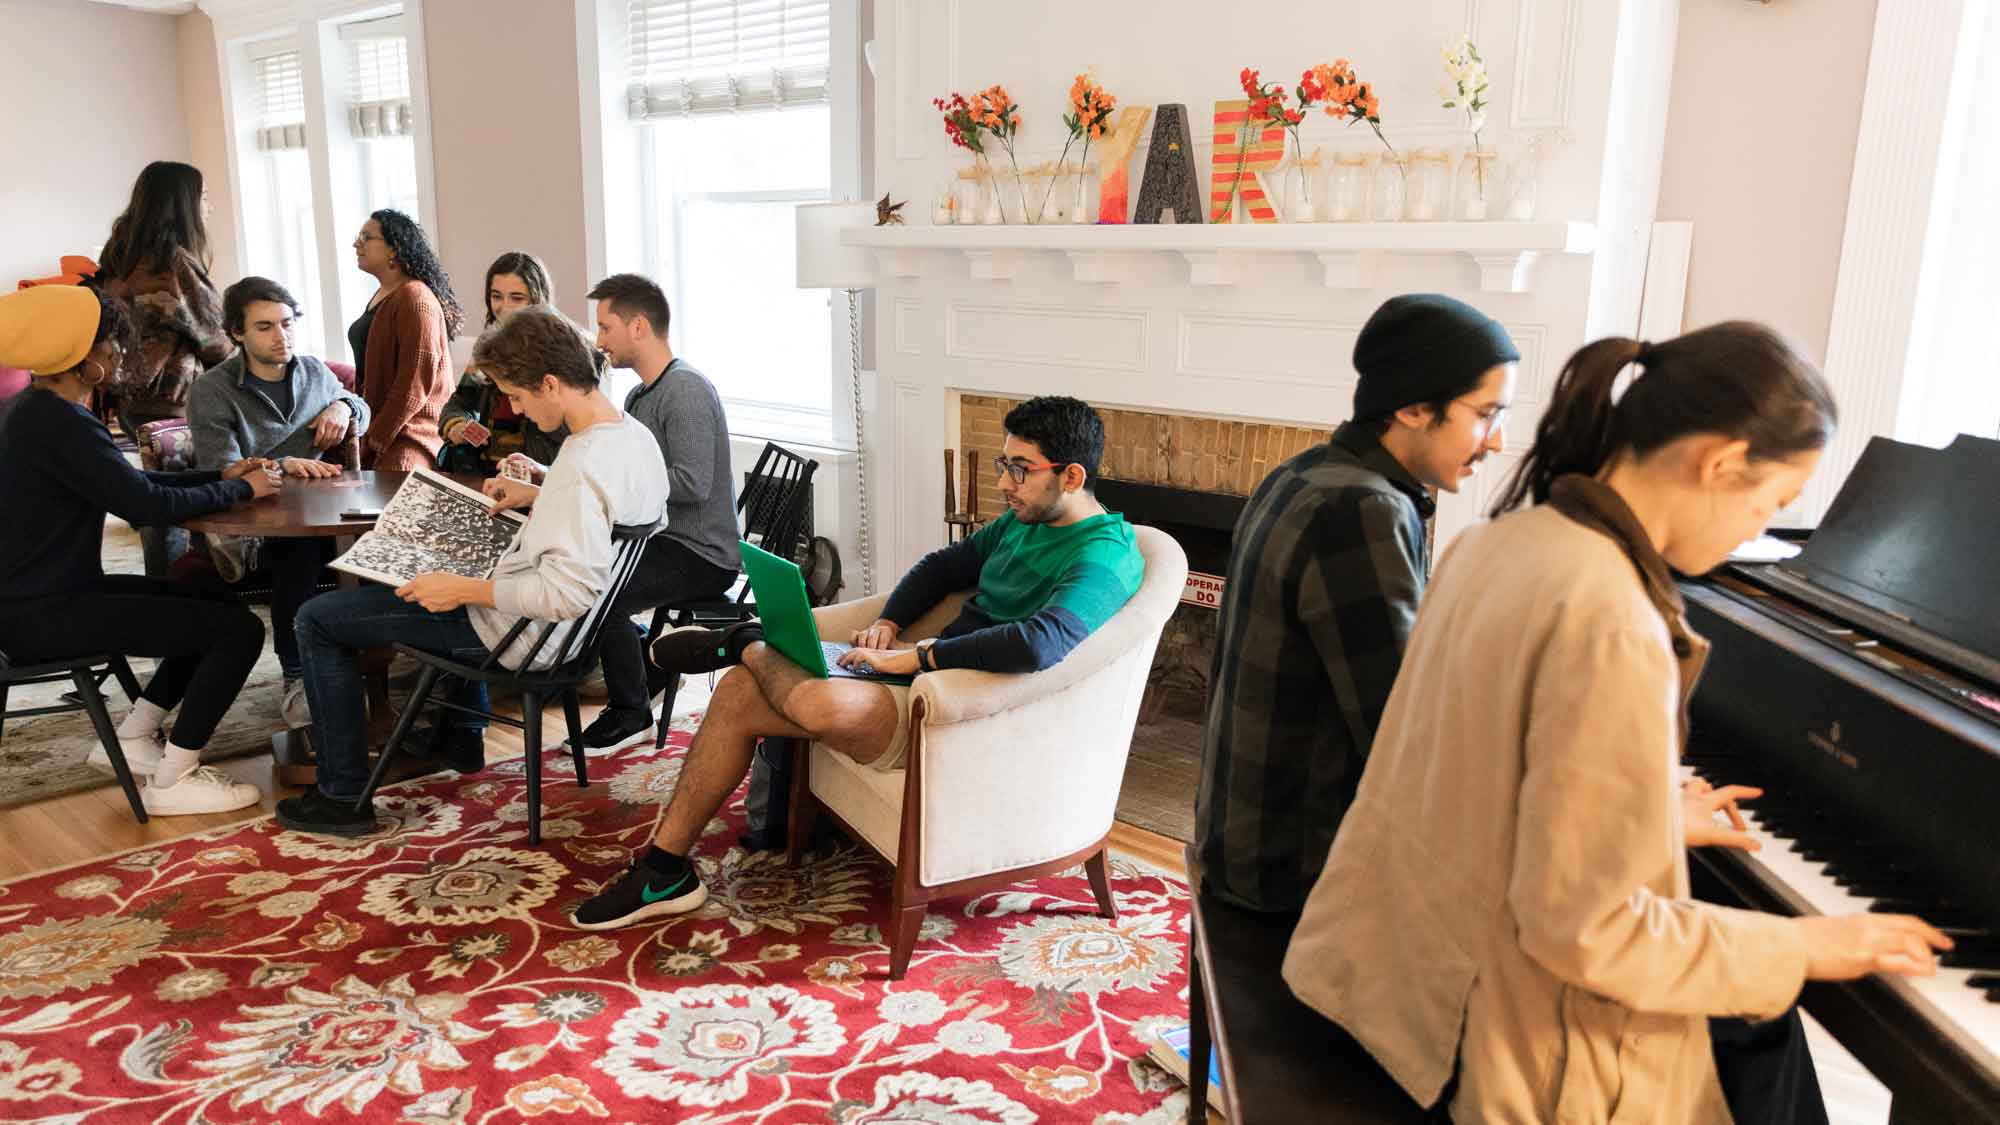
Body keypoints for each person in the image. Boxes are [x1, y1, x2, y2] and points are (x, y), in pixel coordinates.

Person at [1280, 323, 1951, 1123]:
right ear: (1720, 463)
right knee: (1760, 1029)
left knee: (1751, 1031)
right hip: (1477, 1042)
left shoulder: (1495, 542)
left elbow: (1472, 785)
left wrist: (1649, 817)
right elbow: (1588, 933)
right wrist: (1808, 944)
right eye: (1771, 502)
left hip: (1379, 972)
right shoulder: (1615, 620)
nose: (1758, 532)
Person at [571, 395, 1144, 930]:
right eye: (1004, 463)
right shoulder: (1022, 524)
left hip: (961, 715)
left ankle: (743, 638)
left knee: (808, 695)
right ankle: (663, 870)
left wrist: (915, 658)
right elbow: (941, 567)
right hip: (918, 676)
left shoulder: (1103, 555)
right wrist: (890, 623)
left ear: (1072, 476)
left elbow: (1038, 644)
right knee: (738, 692)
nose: (1003, 483)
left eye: (1020, 470)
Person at [275, 306, 668, 837]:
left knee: (317, 618)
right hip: (569, 633)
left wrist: (458, 588)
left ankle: (343, 797)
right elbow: (623, 516)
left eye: (520, 396)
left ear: (550, 383)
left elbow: (565, 594)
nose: (518, 410)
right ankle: (459, 735)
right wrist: (539, 493)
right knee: (442, 555)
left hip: (521, 633)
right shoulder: (632, 435)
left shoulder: (580, 465)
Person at [1193, 294, 1516, 913]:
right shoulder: (1362, 510)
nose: (1497, 442)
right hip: (1297, 873)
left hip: (1240, 839)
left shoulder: (1302, 474)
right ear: (1415, 407)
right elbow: (1406, 732)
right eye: (1485, 415)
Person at [0, 285, 279, 815]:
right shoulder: (61, 423)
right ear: (81, 359)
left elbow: (122, 485)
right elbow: (144, 507)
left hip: (36, 600)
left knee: (203, 594)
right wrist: (243, 489)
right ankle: (175, 780)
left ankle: (135, 738)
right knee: (240, 631)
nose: (117, 352)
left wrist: (220, 474)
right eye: (109, 343)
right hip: (42, 616)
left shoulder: (30, 412)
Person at [522, 273, 736, 754]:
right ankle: (647, 668)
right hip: (659, 540)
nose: (598, 341)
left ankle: (630, 710)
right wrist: (545, 474)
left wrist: (615, 492)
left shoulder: (685, 391)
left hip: (701, 553)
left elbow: (693, 483)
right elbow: (618, 465)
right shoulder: (640, 395)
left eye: (605, 327)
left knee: (601, 588)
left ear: (638, 327)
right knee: (580, 567)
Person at [187, 277, 373, 726]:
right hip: (248, 523)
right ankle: (298, 677)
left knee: (379, 539)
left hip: (317, 508)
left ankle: (374, 667)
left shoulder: (313, 372)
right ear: (237, 333)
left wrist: (344, 408)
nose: (281, 336)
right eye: (265, 327)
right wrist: (284, 462)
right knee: (299, 546)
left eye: (287, 324)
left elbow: (362, 413)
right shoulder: (212, 390)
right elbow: (224, 468)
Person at [92, 160, 233, 576]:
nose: (209, 206)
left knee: (158, 499)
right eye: (203, 197)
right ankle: (190, 593)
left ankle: (166, 588)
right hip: (177, 402)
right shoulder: (173, 264)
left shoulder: (120, 257)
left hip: (132, 399)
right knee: (191, 503)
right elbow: (215, 338)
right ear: (184, 203)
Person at [348, 209, 464, 471]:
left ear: (393, 249)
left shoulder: (416, 299)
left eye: (367, 237)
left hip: (409, 438)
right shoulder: (384, 294)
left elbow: (414, 383)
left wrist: (377, 437)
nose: (357, 243)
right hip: (380, 429)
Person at [437, 251, 566, 475]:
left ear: (537, 299)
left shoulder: (561, 351)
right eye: (497, 296)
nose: (504, 307)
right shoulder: (486, 349)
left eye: (517, 298)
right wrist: (458, 425)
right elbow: (459, 404)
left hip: (539, 479)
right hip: (486, 477)